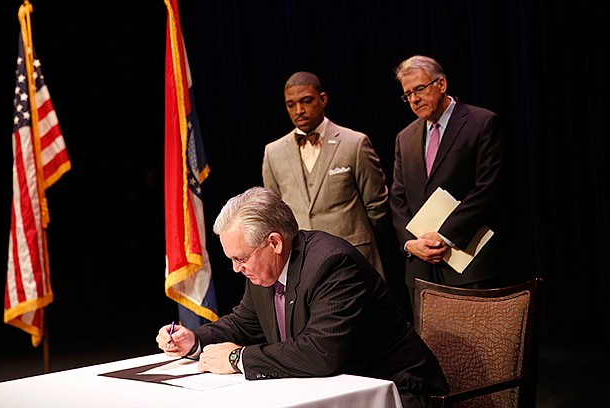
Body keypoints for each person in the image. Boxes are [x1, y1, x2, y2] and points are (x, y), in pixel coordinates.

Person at [157, 187, 449, 408]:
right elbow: (243, 323)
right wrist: (194, 340)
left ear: (274, 242)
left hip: (397, 390)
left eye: (240, 258)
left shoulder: (332, 264)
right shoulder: (264, 269)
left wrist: (237, 358)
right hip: (336, 390)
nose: (236, 269)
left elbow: (321, 352)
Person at [390, 55, 504, 305]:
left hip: (467, 261)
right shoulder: (404, 138)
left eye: (419, 89)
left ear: (441, 84)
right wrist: (410, 244)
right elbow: (397, 199)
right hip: (421, 269)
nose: (414, 99)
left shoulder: (481, 123)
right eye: (407, 94)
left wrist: (445, 235)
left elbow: (487, 188)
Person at [262, 71, 389, 278]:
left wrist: (355, 236)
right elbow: (275, 211)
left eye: (306, 101)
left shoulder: (354, 143)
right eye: (290, 105)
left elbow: (376, 205)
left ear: (322, 100)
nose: (299, 111)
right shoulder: (273, 152)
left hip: (353, 256)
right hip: (302, 262)